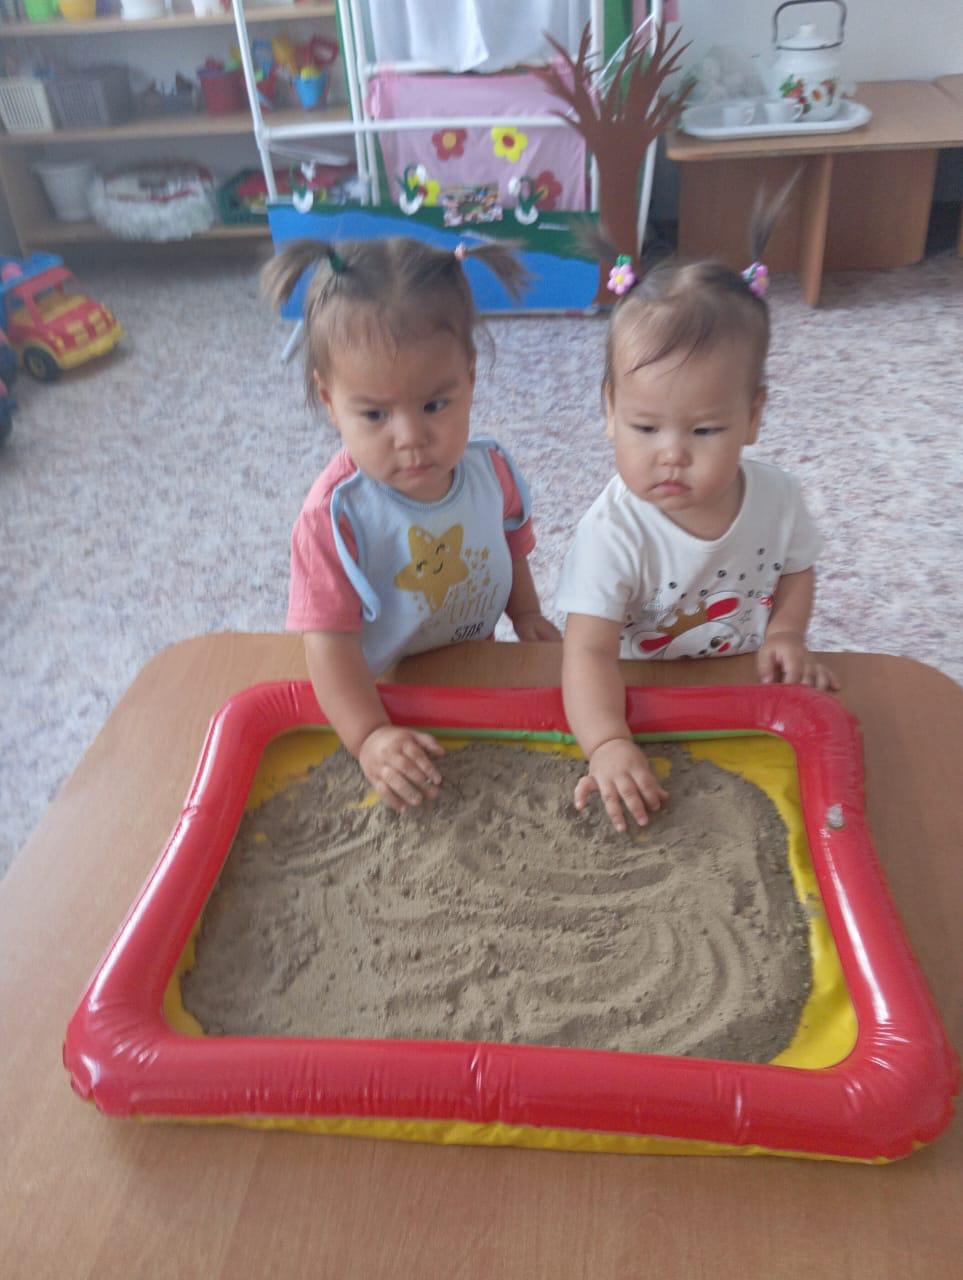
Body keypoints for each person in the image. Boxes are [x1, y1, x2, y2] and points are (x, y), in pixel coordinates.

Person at [558, 194, 838, 834]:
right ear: (609, 411)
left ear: (753, 418)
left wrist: (786, 635)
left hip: (738, 681)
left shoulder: (778, 498)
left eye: (705, 430)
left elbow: (797, 569)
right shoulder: (611, 532)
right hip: (636, 687)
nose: (672, 455)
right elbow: (587, 653)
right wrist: (606, 742)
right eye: (645, 427)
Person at [263, 236, 560, 813]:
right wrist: (369, 735)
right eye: (375, 414)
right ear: (330, 401)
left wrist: (526, 614)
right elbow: (327, 645)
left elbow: (509, 543)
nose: (410, 437)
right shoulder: (335, 519)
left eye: (433, 405)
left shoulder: (490, 471)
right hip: (385, 693)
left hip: (472, 665)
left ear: (469, 377)